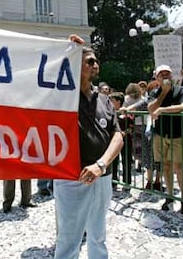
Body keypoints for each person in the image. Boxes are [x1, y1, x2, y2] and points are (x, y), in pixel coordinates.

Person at [54, 41, 123, 259]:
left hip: (102, 177)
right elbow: (41, 77)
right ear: (75, 64)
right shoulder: (61, 96)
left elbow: (118, 135)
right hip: (72, 178)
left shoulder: (104, 100)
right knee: (69, 239)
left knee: (98, 234)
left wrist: (101, 165)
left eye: (96, 61)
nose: (96, 64)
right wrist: (65, 49)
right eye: (89, 61)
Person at [148, 64, 183, 214]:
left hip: (177, 135)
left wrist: (163, 110)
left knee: (179, 167)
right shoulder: (155, 92)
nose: (165, 76)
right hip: (160, 135)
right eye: (161, 74)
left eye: (167, 73)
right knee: (165, 165)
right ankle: (170, 196)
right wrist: (163, 94)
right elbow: (151, 109)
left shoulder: (181, 90)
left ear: (172, 76)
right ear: (156, 77)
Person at [109, 92, 133, 191]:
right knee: (113, 161)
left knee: (126, 161)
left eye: (112, 101)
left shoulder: (127, 114)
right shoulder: (109, 113)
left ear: (119, 102)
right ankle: (114, 180)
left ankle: (127, 182)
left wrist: (123, 133)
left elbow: (131, 128)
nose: (110, 103)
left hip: (126, 141)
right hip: (113, 142)